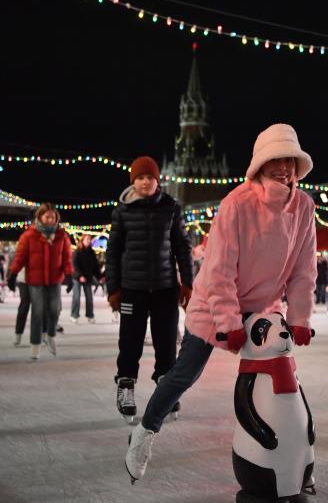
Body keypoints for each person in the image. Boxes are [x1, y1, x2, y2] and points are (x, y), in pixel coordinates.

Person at [124, 123, 317, 483]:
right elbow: (219, 270)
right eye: (276, 160)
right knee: (186, 373)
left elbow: (305, 268)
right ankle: (145, 431)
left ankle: (292, 458)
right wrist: (228, 322)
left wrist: (300, 315)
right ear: (261, 164)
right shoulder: (237, 204)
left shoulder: (304, 207)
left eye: (290, 160)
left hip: (262, 307)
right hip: (216, 304)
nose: (284, 168)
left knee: (282, 373)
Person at [105, 156, 193, 422]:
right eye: (140, 178)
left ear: (158, 181)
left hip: (165, 288)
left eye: (149, 177)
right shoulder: (123, 211)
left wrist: (188, 283)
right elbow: (113, 252)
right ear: (134, 181)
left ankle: (166, 394)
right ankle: (126, 387)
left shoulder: (171, 208)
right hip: (133, 289)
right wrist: (114, 289)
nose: (145, 182)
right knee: (130, 342)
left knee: (166, 343)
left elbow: (182, 247)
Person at [7, 203, 73, 359]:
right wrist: (13, 274)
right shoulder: (29, 235)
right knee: (37, 312)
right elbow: (20, 257)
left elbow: (66, 258)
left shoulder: (61, 236)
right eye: (47, 216)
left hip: (55, 280)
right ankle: (35, 346)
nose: (50, 219)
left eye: (53, 216)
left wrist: (69, 275)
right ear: (40, 217)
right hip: (35, 281)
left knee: (55, 309)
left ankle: (50, 335)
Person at [70, 234, 101, 323]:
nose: (89, 241)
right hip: (77, 277)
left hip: (87, 277)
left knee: (89, 297)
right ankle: (74, 315)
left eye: (89, 239)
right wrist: (80, 276)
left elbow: (95, 266)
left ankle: (90, 315)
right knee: (77, 297)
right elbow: (74, 265)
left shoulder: (91, 252)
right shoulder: (77, 251)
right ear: (82, 240)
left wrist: (99, 277)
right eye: (87, 239)